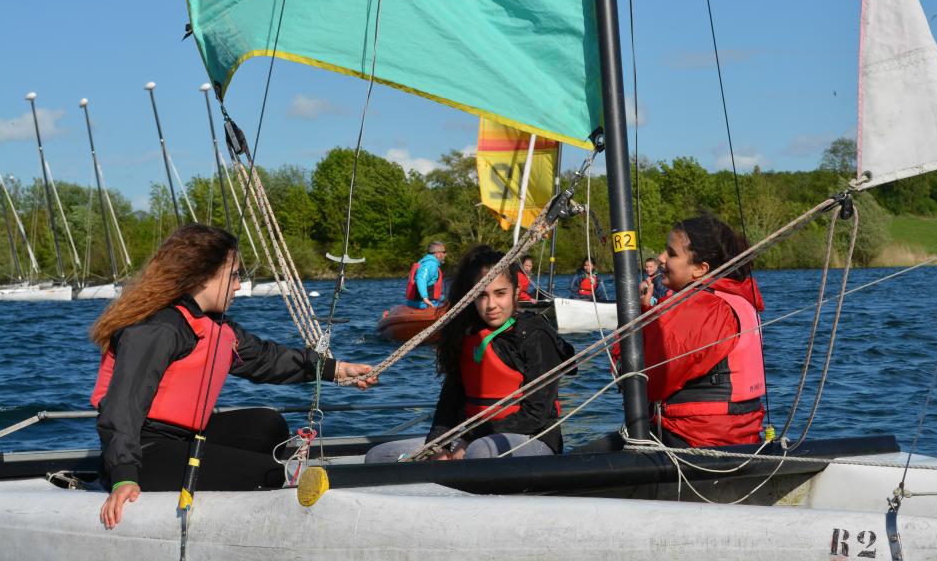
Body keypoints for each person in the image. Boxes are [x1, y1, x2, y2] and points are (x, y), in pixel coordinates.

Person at [92, 224, 376, 529]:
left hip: (184, 439)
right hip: (144, 452)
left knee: (267, 425)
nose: (238, 286)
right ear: (203, 276)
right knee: (269, 472)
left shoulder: (212, 325)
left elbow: (266, 359)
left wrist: (334, 370)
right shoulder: (159, 328)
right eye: (234, 276)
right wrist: (123, 475)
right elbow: (122, 407)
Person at [366, 246, 575, 463]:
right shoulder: (466, 336)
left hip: (532, 439)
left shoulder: (535, 335)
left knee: (480, 452)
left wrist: (470, 438)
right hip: (475, 438)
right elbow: (449, 402)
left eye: (500, 293)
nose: (491, 305)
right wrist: (438, 445)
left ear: (515, 291)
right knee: (379, 456)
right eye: (482, 295)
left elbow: (537, 414)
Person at [637, 215, 766, 447]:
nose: (661, 258)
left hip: (693, 438)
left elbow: (645, 382)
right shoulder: (736, 298)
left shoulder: (703, 309)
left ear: (700, 268)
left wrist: (638, 318)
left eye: (671, 253)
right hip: (737, 435)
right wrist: (648, 312)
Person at [405, 241, 447, 309]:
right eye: (444, 252)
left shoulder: (423, 262)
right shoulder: (431, 264)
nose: (445, 255)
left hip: (412, 302)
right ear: (438, 254)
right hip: (424, 304)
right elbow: (421, 278)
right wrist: (425, 298)